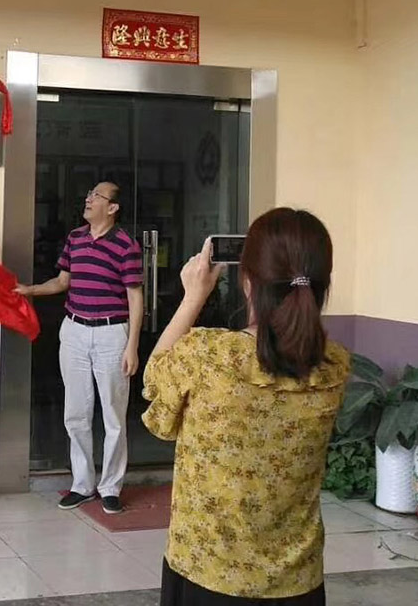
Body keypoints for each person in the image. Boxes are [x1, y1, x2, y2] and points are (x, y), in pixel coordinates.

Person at [142, 208, 350, 605]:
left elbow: (154, 383)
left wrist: (194, 296)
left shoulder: (208, 355)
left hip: (207, 572)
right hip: (298, 580)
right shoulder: (335, 366)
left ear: (248, 282)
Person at [16, 181, 143, 514]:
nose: (88, 199)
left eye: (96, 196)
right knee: (76, 413)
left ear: (112, 208)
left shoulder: (126, 245)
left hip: (111, 334)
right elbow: (62, 282)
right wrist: (30, 290)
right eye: (89, 194)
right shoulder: (75, 238)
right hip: (74, 330)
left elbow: (135, 297)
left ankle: (111, 487)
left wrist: (132, 346)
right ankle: (82, 485)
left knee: (113, 415)